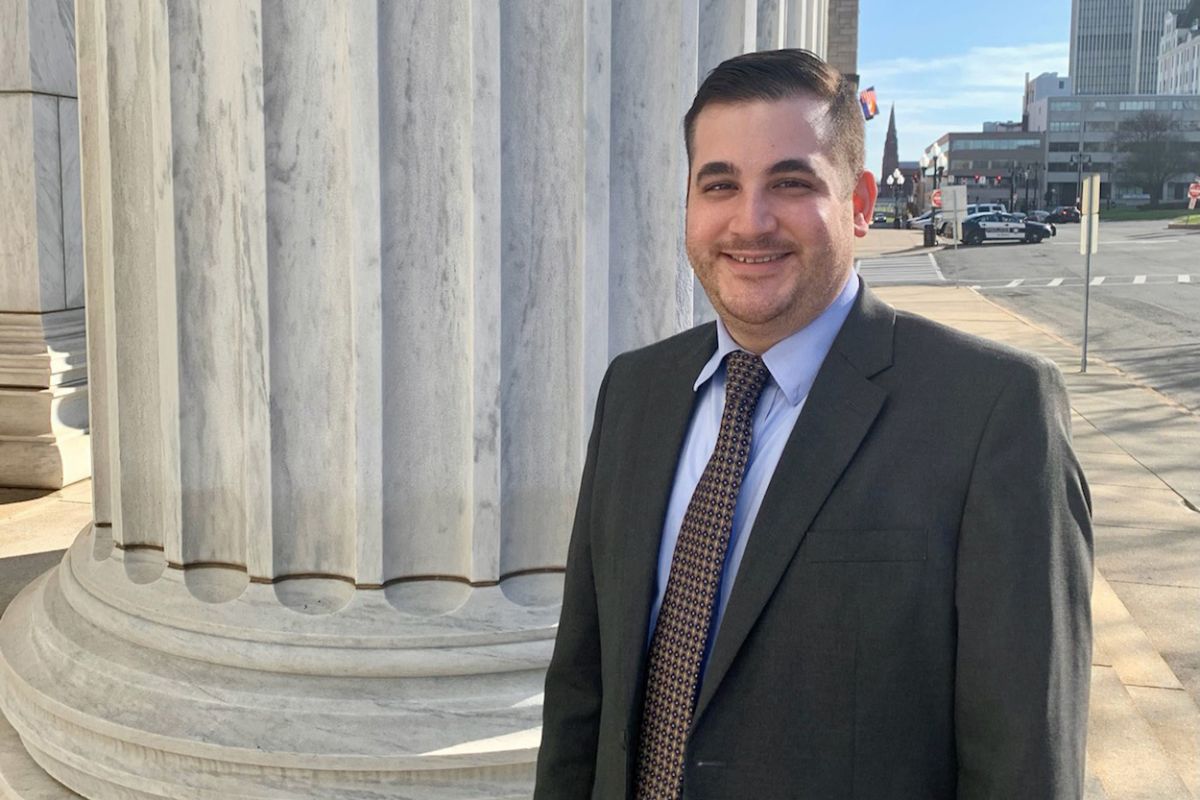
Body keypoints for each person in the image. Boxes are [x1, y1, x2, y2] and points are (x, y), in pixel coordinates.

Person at [535, 49, 1092, 800]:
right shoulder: (635, 391)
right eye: (719, 184)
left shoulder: (992, 414)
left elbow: (1024, 762)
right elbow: (583, 690)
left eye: (791, 183)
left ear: (860, 201)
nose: (750, 221)